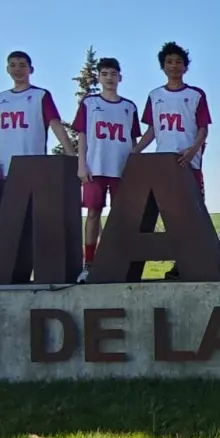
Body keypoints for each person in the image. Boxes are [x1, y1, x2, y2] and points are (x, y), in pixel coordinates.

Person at [134, 42, 211, 277]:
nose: (174, 66)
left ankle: (194, 261)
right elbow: (152, 130)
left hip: (188, 162)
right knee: (168, 213)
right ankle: (177, 262)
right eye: (169, 62)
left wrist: (193, 149)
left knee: (192, 212)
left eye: (178, 62)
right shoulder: (155, 96)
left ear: (185, 67)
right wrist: (135, 152)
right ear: (163, 66)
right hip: (162, 163)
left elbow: (203, 128)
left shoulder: (195, 95)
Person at [72, 57, 142, 282]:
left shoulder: (129, 107)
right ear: (98, 77)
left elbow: (133, 140)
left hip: (121, 169)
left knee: (120, 216)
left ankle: (117, 263)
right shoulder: (90, 103)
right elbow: (82, 135)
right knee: (93, 213)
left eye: (113, 74)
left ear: (120, 77)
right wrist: (81, 164)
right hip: (96, 168)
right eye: (104, 74)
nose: (109, 78)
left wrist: (133, 167)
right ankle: (89, 264)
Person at [0, 50, 72, 177]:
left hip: (34, 163)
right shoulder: (1, 98)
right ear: (7, 69)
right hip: (6, 166)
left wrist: (71, 154)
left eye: (22, 65)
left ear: (31, 69)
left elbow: (56, 125)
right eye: (13, 65)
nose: (17, 69)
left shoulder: (40, 95)